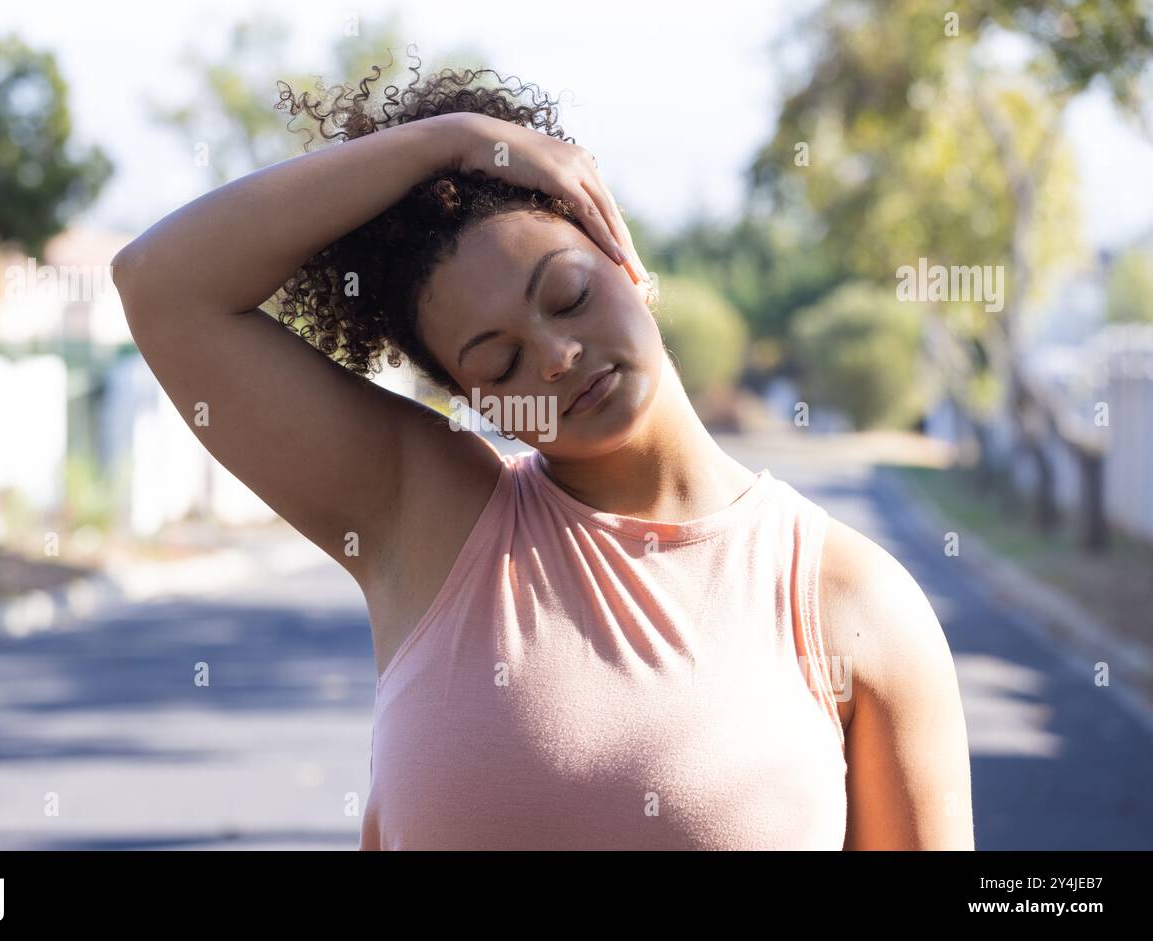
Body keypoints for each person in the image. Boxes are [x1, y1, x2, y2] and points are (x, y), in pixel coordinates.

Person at [111, 53, 974, 850]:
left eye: (566, 293)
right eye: (499, 360)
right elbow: (162, 285)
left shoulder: (851, 602)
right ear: (473, 399)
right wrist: (451, 143)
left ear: (624, 257)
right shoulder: (431, 516)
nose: (556, 357)